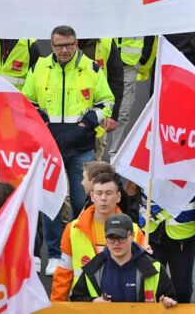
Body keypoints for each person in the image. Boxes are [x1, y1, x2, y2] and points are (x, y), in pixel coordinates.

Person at [23, 26, 114, 277]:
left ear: (76, 44)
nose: (65, 50)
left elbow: (106, 101)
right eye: (60, 45)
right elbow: (27, 99)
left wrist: (87, 123)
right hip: (49, 148)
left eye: (69, 45)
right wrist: (41, 120)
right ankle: (53, 254)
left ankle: (78, 250)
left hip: (81, 147)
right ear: (52, 46)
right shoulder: (39, 67)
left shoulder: (92, 68)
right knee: (51, 203)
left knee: (80, 202)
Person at [52, 173, 144, 300]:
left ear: (118, 197)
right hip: (84, 306)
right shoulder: (73, 229)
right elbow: (63, 274)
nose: (104, 198)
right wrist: (57, 307)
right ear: (92, 196)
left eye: (109, 193)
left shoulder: (134, 231)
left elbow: (146, 279)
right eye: (99, 193)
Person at [69, 213, 176, 306]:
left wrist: (167, 301)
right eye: (111, 238)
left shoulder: (154, 268)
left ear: (132, 236)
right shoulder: (93, 269)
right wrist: (93, 302)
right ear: (105, 238)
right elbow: (76, 299)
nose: (116, 243)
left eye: (121, 237)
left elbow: (171, 298)